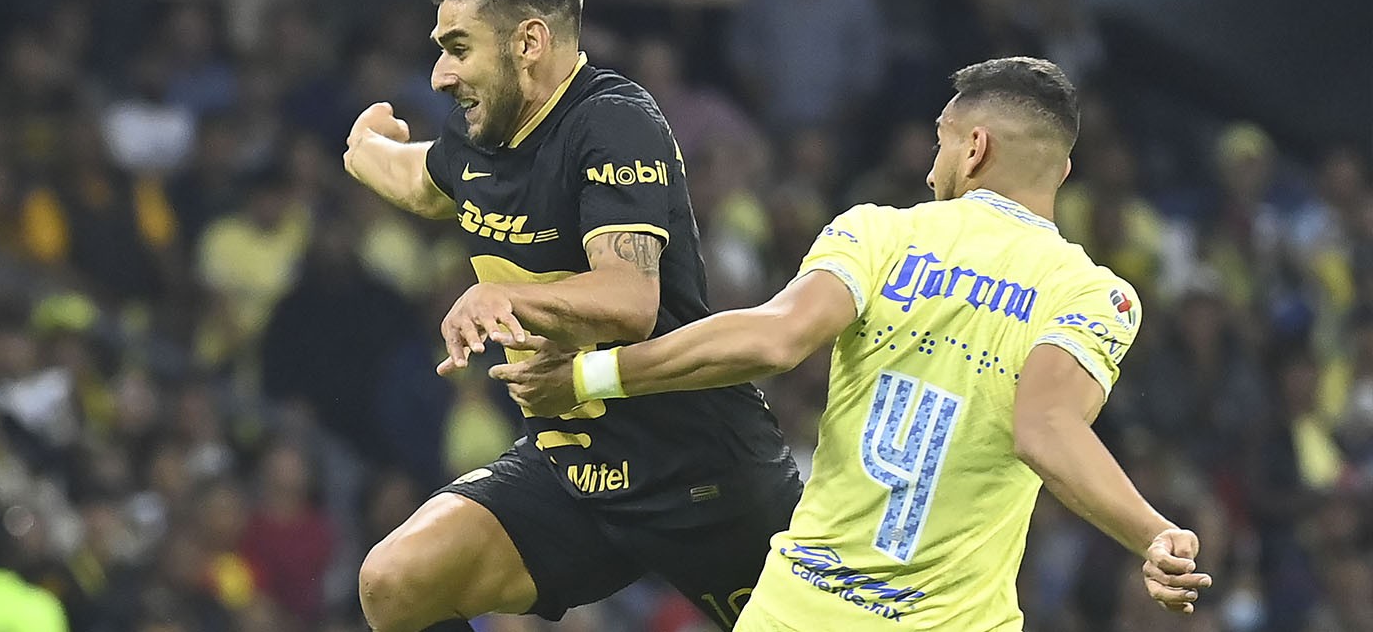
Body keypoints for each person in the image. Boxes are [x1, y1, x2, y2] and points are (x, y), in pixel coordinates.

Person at [490, 57, 1213, 630]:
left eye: (940, 142)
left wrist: (588, 376)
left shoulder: (880, 232)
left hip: (798, 611)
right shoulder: (1094, 294)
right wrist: (1152, 533)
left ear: (975, 147)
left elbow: (774, 338)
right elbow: (1045, 427)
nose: (930, 168)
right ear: (1062, 171)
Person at [343, 0, 801, 630]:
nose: (439, 75)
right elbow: (423, 181)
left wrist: (504, 297)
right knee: (396, 581)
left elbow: (629, 302)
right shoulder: (479, 136)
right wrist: (365, 148)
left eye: (458, 48)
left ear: (528, 42)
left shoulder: (613, 122)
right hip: (573, 471)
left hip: (699, 471)